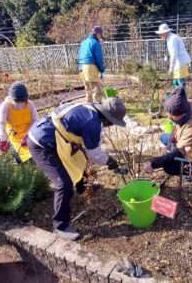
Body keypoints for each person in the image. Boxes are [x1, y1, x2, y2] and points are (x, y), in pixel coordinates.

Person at [27, 98, 127, 241]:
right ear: (107, 118)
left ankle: (81, 188)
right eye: (111, 122)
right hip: (41, 143)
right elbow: (94, 153)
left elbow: (90, 148)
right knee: (63, 183)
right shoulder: (92, 123)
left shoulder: (90, 109)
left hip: (55, 137)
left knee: (80, 158)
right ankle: (60, 227)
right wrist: (110, 162)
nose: (110, 125)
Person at [143, 85, 192, 176]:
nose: (169, 116)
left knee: (168, 167)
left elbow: (179, 151)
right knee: (164, 137)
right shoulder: (186, 107)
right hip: (186, 143)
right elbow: (177, 127)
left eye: (172, 115)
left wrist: (154, 163)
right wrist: (172, 139)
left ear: (181, 114)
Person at [0, 82, 38, 163]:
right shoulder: (5, 106)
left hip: (29, 131)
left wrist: (28, 135)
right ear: (11, 98)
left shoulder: (30, 105)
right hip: (14, 134)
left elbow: (35, 121)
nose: (20, 105)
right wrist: (3, 138)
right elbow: (1, 123)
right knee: (22, 157)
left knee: (37, 151)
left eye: (22, 102)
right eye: (17, 102)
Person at [155, 23, 191, 88]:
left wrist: (170, 68)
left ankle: (182, 97)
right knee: (175, 82)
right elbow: (171, 52)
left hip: (181, 62)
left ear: (165, 33)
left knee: (180, 82)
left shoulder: (172, 39)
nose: (160, 35)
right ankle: (176, 96)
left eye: (161, 34)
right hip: (178, 63)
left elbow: (174, 54)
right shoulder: (170, 38)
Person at [78, 26, 106, 103]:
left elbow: (79, 55)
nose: (100, 37)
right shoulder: (95, 43)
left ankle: (88, 107)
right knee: (97, 89)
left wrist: (79, 68)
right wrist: (102, 69)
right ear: (98, 34)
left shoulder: (83, 42)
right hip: (90, 66)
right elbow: (98, 58)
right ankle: (97, 107)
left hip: (82, 67)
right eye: (100, 35)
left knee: (88, 90)